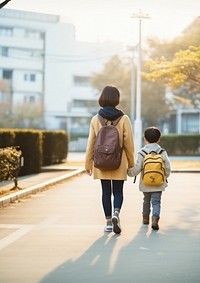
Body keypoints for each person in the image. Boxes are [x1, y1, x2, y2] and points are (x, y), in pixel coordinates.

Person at [85, 85, 135, 234]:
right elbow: (129, 143)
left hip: (101, 162)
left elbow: (91, 144)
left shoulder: (96, 119)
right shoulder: (124, 118)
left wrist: (88, 163)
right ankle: (116, 213)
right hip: (119, 161)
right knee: (118, 192)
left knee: (105, 192)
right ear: (117, 99)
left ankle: (108, 222)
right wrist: (131, 163)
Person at [128, 126, 171, 230]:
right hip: (158, 183)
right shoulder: (162, 152)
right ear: (159, 139)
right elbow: (168, 167)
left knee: (146, 200)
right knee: (156, 201)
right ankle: (155, 219)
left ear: (145, 139)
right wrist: (164, 176)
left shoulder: (142, 153)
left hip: (145, 183)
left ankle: (145, 218)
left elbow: (137, 168)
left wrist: (129, 173)